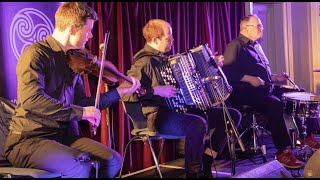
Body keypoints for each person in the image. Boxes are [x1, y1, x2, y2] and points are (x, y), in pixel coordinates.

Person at [3, 2, 141, 178]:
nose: (90, 36)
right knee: (79, 166)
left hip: (59, 137)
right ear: (73, 28)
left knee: (112, 159)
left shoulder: (73, 60)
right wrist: (81, 112)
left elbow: (82, 103)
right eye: (88, 30)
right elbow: (32, 100)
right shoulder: (36, 54)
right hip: (28, 140)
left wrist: (119, 92)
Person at [122, 19, 242, 178]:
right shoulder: (144, 62)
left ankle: (206, 160)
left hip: (179, 111)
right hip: (158, 116)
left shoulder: (164, 59)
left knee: (231, 116)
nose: (172, 40)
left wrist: (212, 65)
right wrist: (156, 90)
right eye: (168, 38)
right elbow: (125, 92)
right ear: (155, 39)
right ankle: (193, 173)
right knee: (197, 124)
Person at [222, 14, 320, 169]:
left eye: (261, 25)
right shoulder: (235, 45)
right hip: (246, 93)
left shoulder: (257, 46)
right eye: (258, 26)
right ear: (245, 28)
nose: (262, 28)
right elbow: (226, 73)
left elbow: (264, 77)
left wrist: (276, 78)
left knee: (301, 94)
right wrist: (249, 78)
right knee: (275, 104)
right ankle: (283, 151)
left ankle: (308, 136)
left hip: (265, 88)